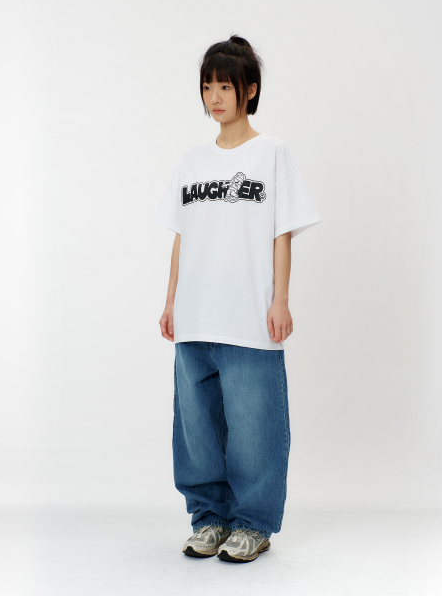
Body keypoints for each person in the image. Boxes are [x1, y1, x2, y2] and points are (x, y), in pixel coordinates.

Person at [153, 34, 322, 563]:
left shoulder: (273, 154)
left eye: (225, 86)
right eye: (207, 87)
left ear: (249, 90)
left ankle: (253, 523)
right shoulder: (192, 161)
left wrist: (281, 300)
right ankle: (209, 518)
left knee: (255, 427)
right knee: (197, 428)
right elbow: (182, 236)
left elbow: (281, 232)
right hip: (196, 317)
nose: (214, 97)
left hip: (249, 316)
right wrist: (171, 302)